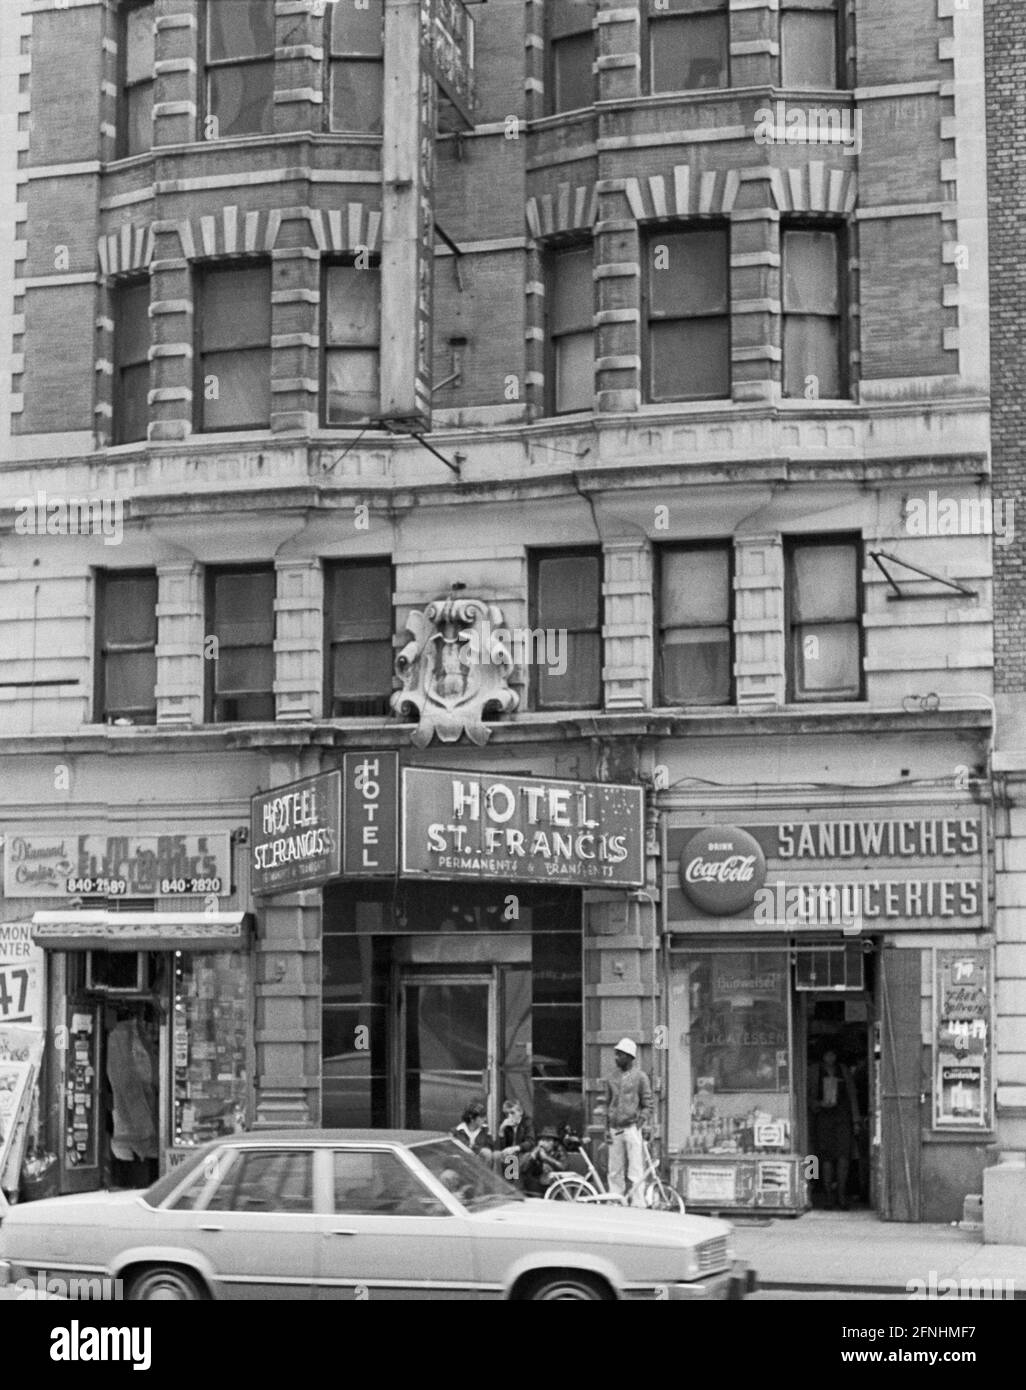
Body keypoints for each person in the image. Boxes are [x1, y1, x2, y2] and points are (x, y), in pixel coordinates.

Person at [808, 1046, 861, 1209]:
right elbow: (806, 1094)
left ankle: (842, 1195)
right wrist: (818, 1104)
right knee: (825, 1158)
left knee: (844, 1156)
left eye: (833, 1053)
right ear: (822, 1056)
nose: (830, 1057)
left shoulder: (843, 1070)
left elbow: (852, 1094)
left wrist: (856, 1120)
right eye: (827, 1054)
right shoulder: (814, 1070)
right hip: (823, 1119)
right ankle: (828, 1196)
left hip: (842, 1118)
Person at [604, 1037, 652, 1208]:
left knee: (636, 1168)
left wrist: (639, 1123)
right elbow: (607, 1103)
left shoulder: (640, 1077)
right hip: (615, 1128)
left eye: (620, 1055)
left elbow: (647, 1103)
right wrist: (606, 1128)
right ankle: (616, 1199)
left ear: (630, 1056)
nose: (616, 1058)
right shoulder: (612, 1077)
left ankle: (638, 1202)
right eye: (616, 1054)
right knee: (615, 1167)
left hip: (631, 1127)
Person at [496, 1099, 534, 1183]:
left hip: (523, 1154)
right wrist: (501, 1130)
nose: (509, 1116)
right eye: (506, 1114)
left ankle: (511, 1187)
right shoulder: (505, 1124)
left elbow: (530, 1142)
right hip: (509, 1155)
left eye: (512, 1113)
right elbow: (501, 1147)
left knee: (513, 1159)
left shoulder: (527, 1122)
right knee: (497, 1156)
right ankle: (498, 1186)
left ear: (520, 1112)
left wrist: (515, 1148)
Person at [520, 1127, 565, 1197]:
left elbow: (563, 1166)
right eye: (543, 1140)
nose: (545, 1143)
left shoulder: (559, 1150)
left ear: (554, 1142)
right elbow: (524, 1168)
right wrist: (533, 1156)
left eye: (549, 1140)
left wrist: (546, 1158)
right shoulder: (538, 1150)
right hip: (537, 1185)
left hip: (555, 1185)